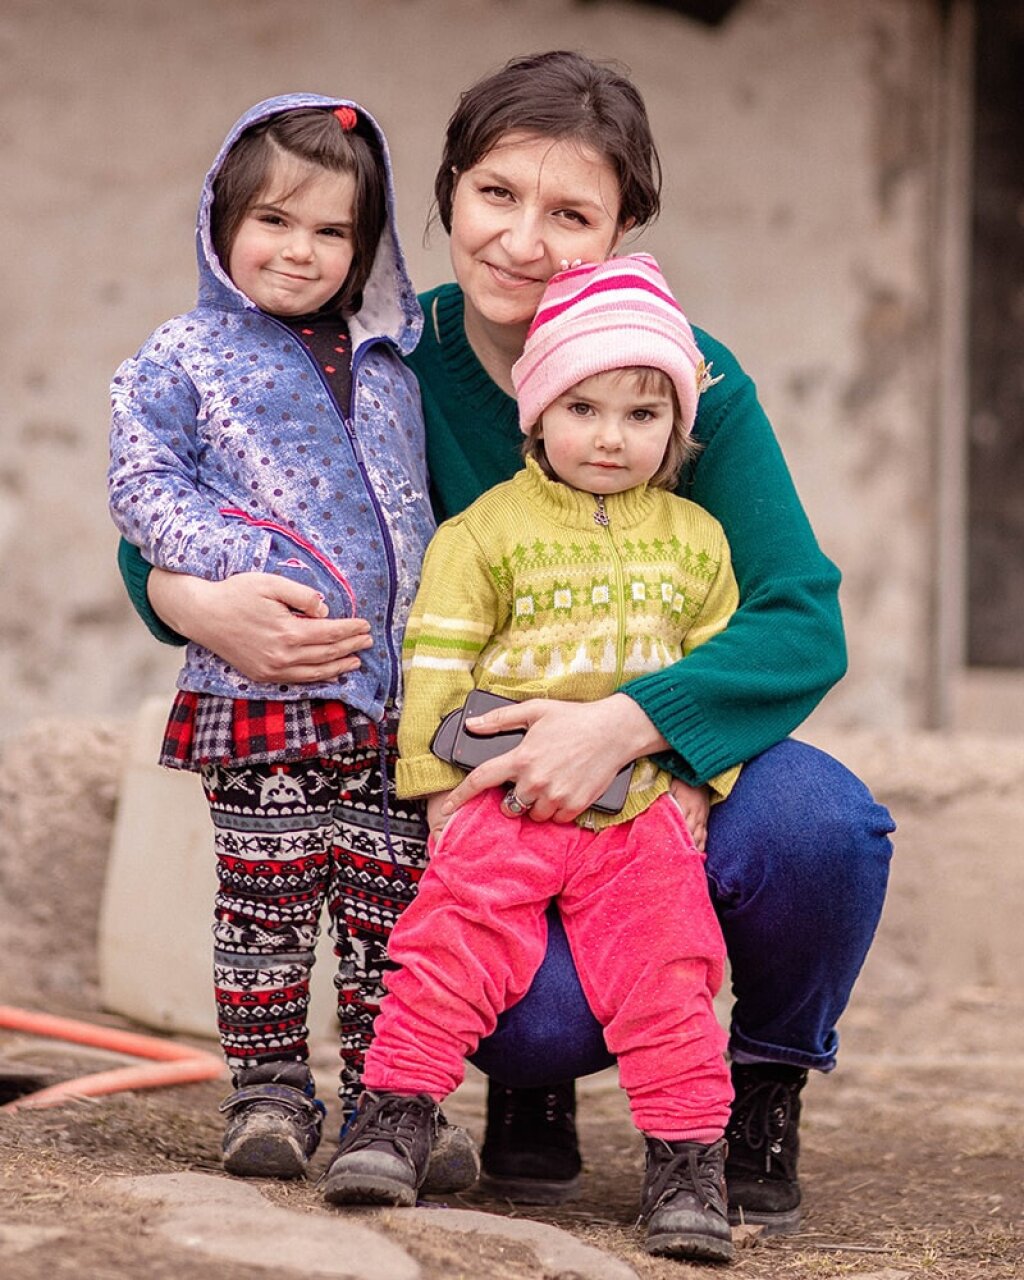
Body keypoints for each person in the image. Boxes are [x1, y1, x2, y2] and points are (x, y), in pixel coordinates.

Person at [115, 54, 895, 1232]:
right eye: (495, 195)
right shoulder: (381, 349)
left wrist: (631, 726)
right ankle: (529, 1086)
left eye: (570, 212)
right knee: (528, 1016)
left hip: (664, 766)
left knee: (823, 828)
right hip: (488, 790)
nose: (523, 240)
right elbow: (201, 483)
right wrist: (182, 595)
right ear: (444, 192)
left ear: (625, 226)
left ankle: (758, 1088)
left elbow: (800, 612)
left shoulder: (678, 382)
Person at [323, 253, 741, 1264]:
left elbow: (718, 660)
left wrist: (694, 773)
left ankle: (688, 1162)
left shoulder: (697, 541)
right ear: (536, 413)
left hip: (635, 808)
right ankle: (395, 1114)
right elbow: (437, 652)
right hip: (501, 794)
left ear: (677, 430)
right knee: (448, 946)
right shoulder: (487, 530)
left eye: (643, 415)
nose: (609, 436)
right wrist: (434, 790)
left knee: (670, 971)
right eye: (583, 406)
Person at [107, 93, 478, 1194]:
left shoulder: (391, 364)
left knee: (390, 908)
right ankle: (267, 1094)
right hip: (259, 683)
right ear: (220, 220)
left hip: (392, 697)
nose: (299, 250)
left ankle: (392, 1101)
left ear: (366, 247)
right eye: (273, 220)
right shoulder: (182, 355)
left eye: (332, 231)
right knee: (266, 901)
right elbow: (142, 484)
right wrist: (224, 559)